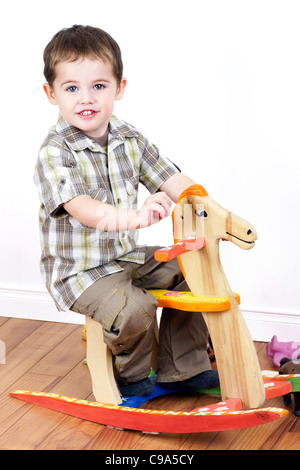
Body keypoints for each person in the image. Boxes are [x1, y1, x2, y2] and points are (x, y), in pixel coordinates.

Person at [34, 25, 219, 396]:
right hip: (79, 273)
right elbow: (84, 209)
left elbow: (171, 178)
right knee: (135, 307)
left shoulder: (129, 138)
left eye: (99, 86)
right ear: (51, 94)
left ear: (119, 88)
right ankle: (131, 378)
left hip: (126, 256)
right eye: (72, 88)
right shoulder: (55, 152)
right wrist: (137, 217)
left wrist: (212, 211)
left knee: (194, 270)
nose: (86, 98)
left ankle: (184, 367)